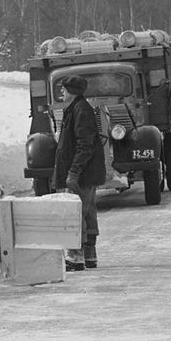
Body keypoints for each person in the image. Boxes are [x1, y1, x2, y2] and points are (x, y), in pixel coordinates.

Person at [52, 74, 105, 270]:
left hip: (82, 174)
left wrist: (74, 172)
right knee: (88, 213)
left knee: (76, 214)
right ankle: (90, 256)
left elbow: (85, 145)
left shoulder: (80, 110)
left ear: (72, 91)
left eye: (64, 88)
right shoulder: (77, 108)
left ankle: (76, 257)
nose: (61, 91)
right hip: (86, 173)